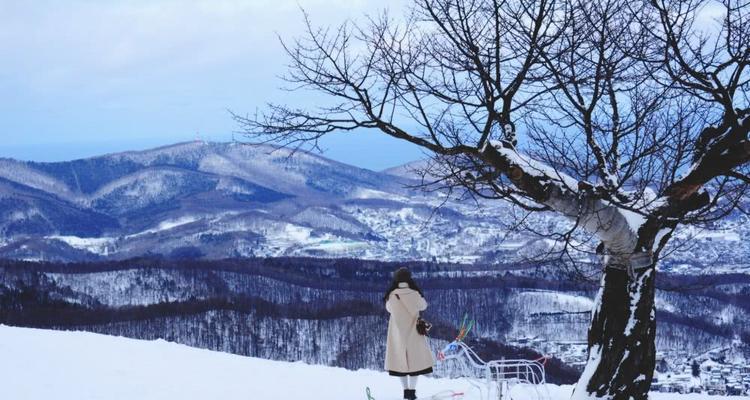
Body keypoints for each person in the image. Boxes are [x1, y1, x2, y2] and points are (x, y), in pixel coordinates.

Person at [384, 267, 434, 400]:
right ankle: (412, 392)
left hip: (397, 332)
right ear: (409, 279)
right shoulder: (414, 294)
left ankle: (406, 391)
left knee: (399, 363)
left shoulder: (392, 295)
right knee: (415, 363)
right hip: (413, 332)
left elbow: (389, 309)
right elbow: (423, 306)